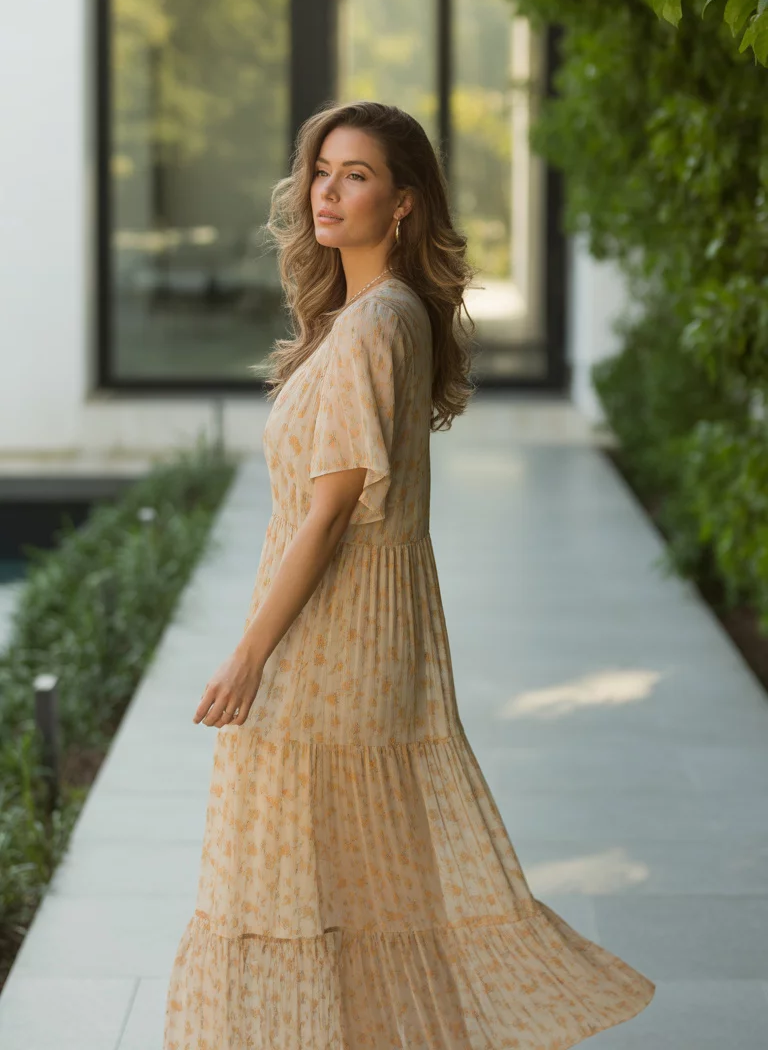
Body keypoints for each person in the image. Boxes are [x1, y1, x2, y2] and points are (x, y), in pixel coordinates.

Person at [163, 100, 656, 1048]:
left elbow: (331, 508)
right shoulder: (371, 318)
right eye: (321, 170)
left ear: (403, 206)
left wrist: (248, 655)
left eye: (356, 175)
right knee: (358, 884)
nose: (328, 191)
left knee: (310, 884)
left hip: (334, 638)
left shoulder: (376, 325)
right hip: (359, 627)